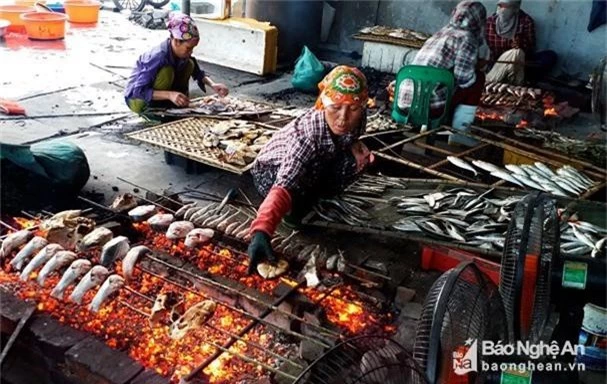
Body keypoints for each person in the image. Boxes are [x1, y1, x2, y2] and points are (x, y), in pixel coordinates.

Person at [246, 66, 373, 275]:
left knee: (350, 166)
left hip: (316, 161)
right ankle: (293, 213)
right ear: (323, 102)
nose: (343, 118)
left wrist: (354, 146)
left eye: (353, 109)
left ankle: (315, 198)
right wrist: (261, 231)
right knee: (297, 192)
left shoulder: (359, 119)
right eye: (336, 107)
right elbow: (284, 184)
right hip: (271, 171)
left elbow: (348, 137)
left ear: (362, 107)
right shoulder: (306, 135)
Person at [396, 1, 487, 119]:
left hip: (403, 105)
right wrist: (475, 66)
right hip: (429, 109)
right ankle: (460, 127)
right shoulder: (467, 38)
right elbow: (464, 79)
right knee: (478, 78)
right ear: (478, 20)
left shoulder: (440, 33)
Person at [124, 13, 229, 114]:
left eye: (193, 48)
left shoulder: (182, 54)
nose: (191, 52)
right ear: (176, 41)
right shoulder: (158, 57)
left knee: (189, 64)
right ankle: (153, 110)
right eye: (188, 48)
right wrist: (169, 95)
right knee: (167, 71)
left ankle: (172, 103)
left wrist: (213, 84)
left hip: (159, 95)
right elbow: (137, 91)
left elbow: (197, 72)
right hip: (137, 100)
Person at [485, 0, 557, 85]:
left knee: (549, 56)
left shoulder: (526, 21)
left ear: (515, 9)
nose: (501, 9)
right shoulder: (490, 22)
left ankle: (523, 78)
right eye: (499, 6)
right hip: (498, 62)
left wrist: (521, 44)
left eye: (505, 6)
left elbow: (531, 45)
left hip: (520, 62)